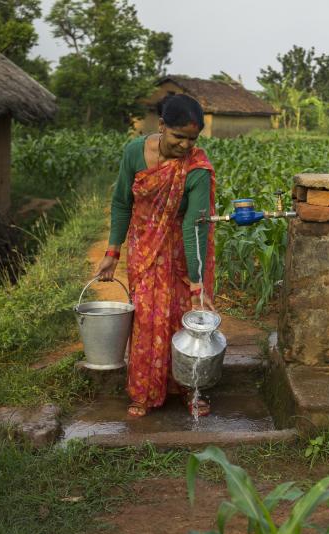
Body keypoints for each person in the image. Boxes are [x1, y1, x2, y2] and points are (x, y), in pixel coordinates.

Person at [94, 94, 216, 417]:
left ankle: (192, 389)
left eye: (193, 139)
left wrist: (196, 283)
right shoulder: (134, 152)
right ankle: (145, 390)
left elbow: (195, 226)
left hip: (180, 253)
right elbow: (122, 201)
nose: (186, 145)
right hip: (144, 248)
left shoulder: (197, 169)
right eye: (179, 137)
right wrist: (112, 251)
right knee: (147, 319)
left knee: (185, 319)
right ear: (161, 126)